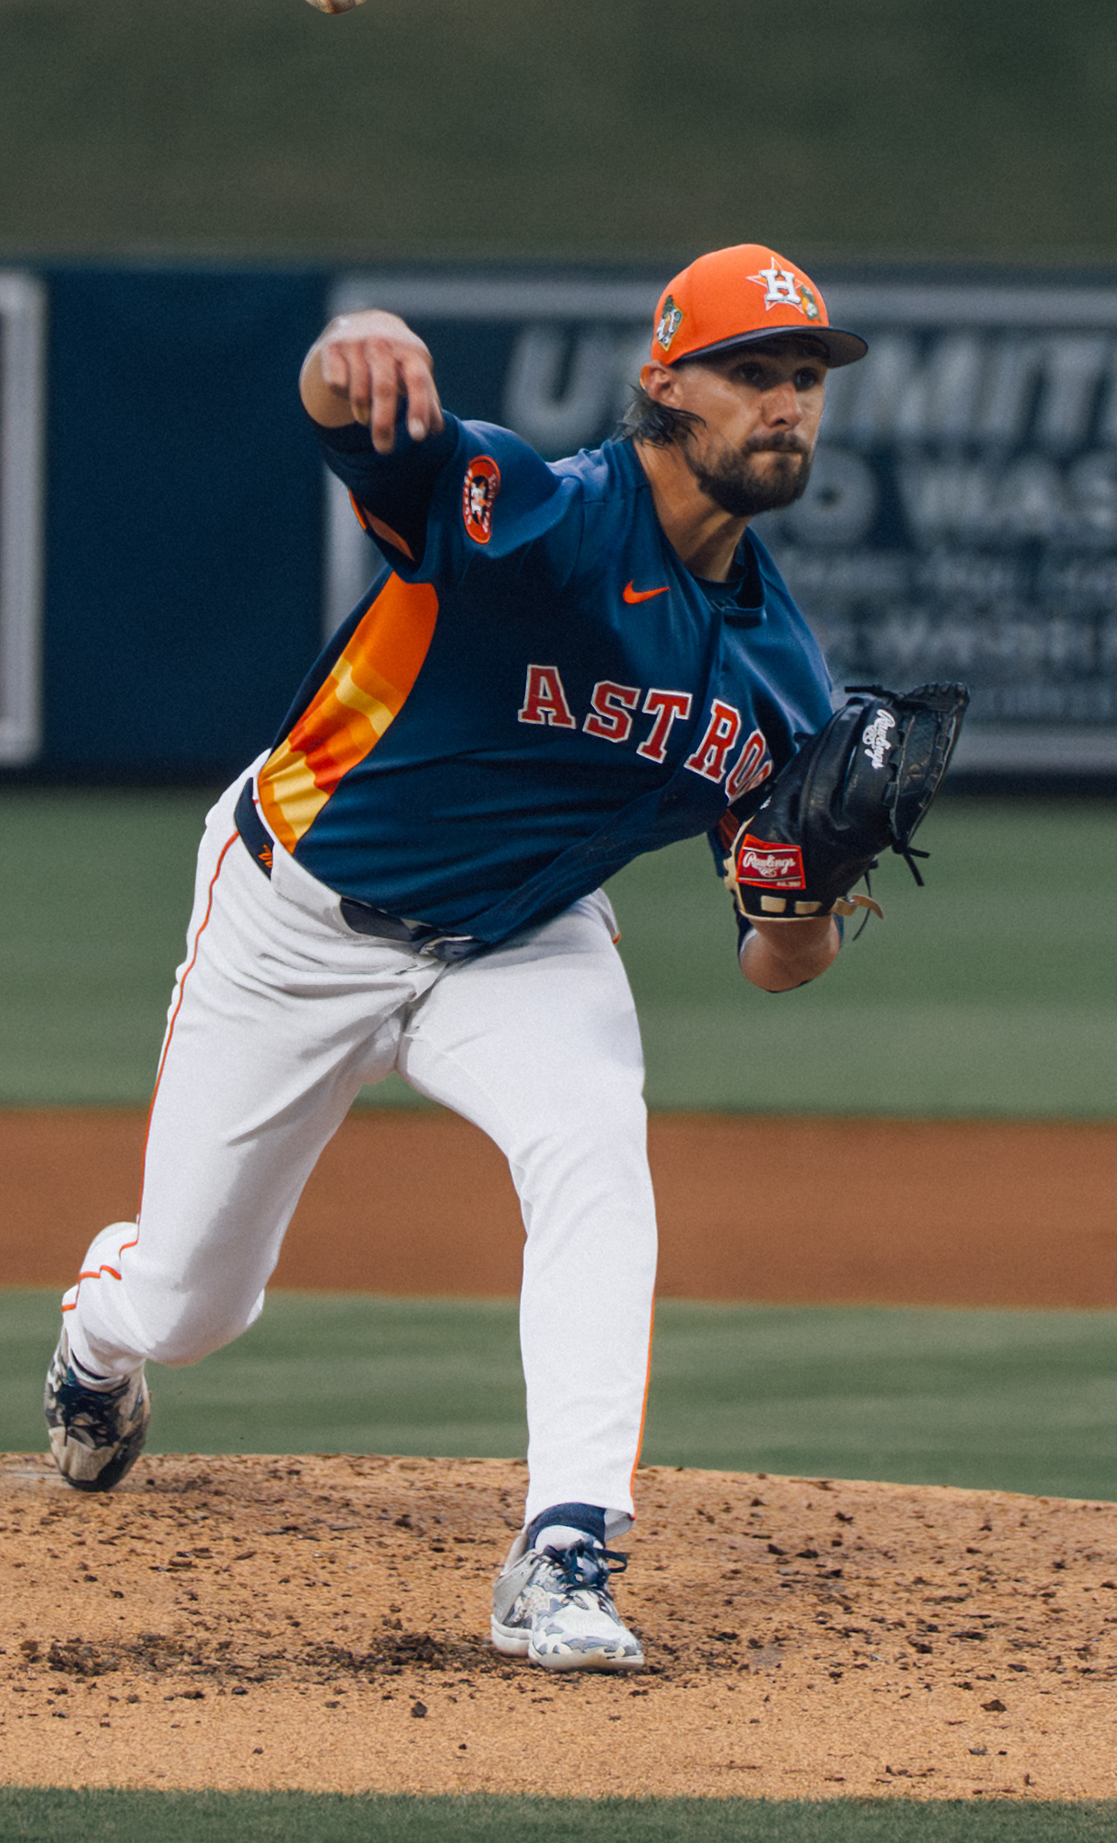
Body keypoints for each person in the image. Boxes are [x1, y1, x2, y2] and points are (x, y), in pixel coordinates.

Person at [42, 245, 870, 1675]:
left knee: (598, 1159)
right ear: (664, 382)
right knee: (191, 1306)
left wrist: (807, 893)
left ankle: (566, 1550)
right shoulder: (540, 516)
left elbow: (775, 964)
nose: (785, 405)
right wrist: (348, 342)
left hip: (521, 944)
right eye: (752, 373)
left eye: (803, 379)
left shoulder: (782, 678)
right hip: (298, 918)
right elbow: (365, 430)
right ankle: (98, 1335)